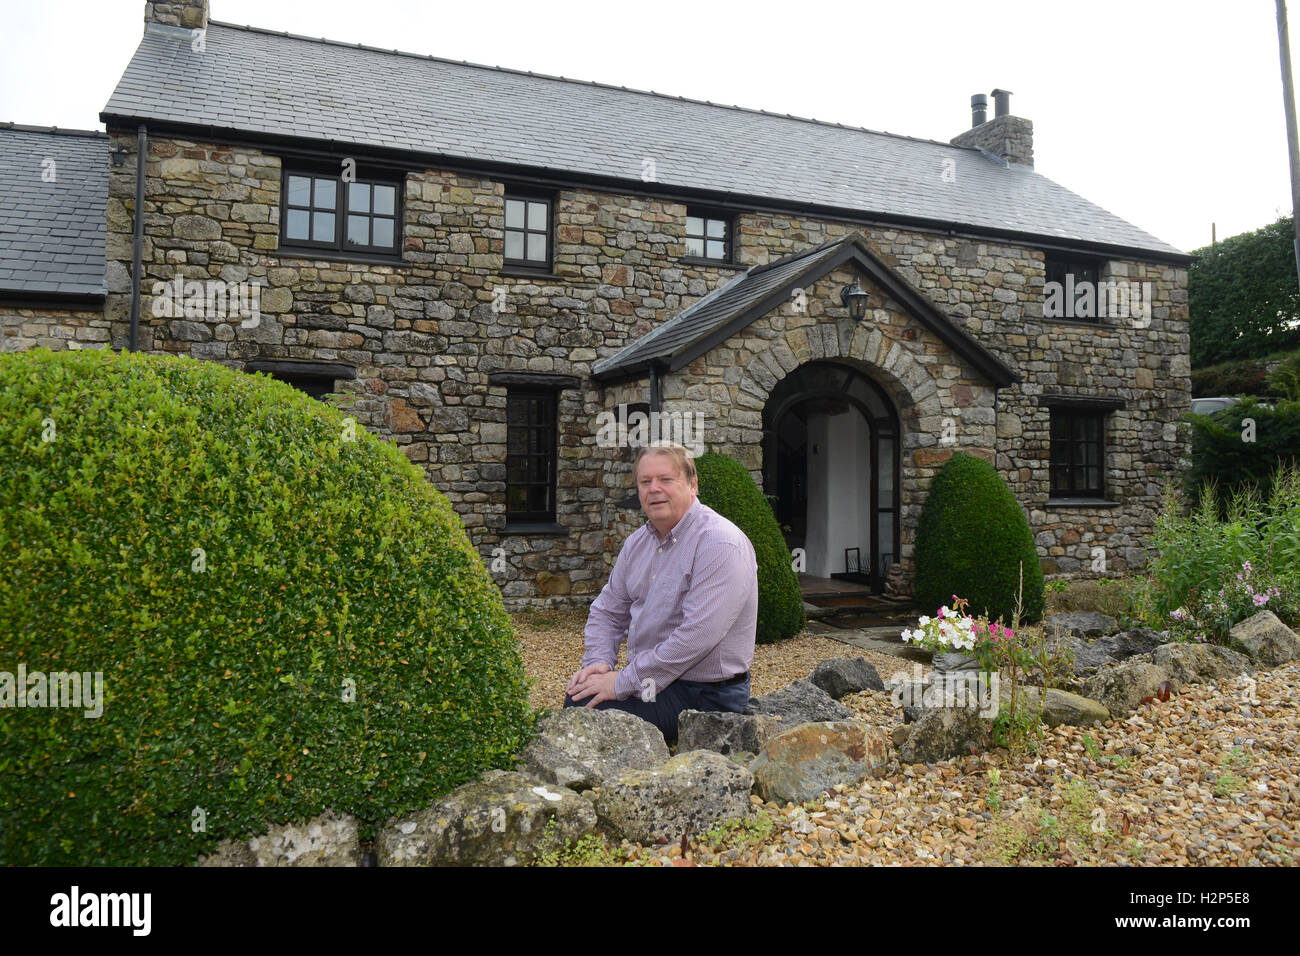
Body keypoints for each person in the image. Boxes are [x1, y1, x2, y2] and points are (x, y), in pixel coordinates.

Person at [564, 440, 757, 742]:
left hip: (706, 696)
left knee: (586, 709)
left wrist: (622, 682)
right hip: (657, 682)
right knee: (582, 695)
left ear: (692, 484)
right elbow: (607, 610)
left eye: (666, 479)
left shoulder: (719, 543)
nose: (654, 489)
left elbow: (695, 637)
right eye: (645, 481)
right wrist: (599, 663)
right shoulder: (638, 543)